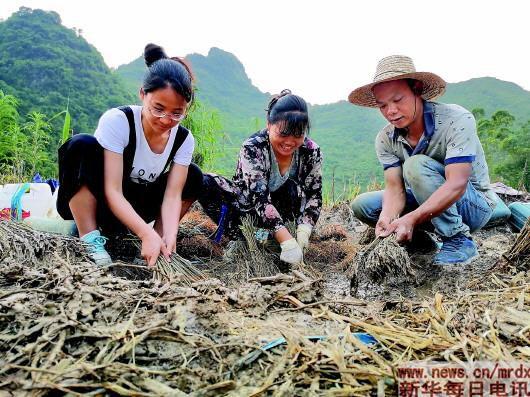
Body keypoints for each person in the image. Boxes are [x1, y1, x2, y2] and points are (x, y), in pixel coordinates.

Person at [57, 44, 203, 266]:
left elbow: (173, 196)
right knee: (80, 145)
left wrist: (170, 233)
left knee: (193, 175)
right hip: (104, 201)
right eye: (158, 108)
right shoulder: (119, 121)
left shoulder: (184, 139)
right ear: (143, 94)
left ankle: (158, 247)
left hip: (138, 206)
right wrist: (144, 233)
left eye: (177, 113)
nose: (166, 120)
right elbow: (112, 191)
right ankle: (89, 239)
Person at [348, 55, 500, 265]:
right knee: (363, 205)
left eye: (398, 100)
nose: (391, 111)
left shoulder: (456, 120)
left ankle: (458, 239)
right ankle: (421, 243)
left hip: (473, 206)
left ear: (417, 89)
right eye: (383, 106)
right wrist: (388, 217)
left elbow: (457, 183)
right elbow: (395, 189)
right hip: (427, 204)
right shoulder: (385, 139)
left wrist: (412, 217)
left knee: (414, 164)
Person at [198, 90, 323, 266]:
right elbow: (259, 198)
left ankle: (276, 239)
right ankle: (252, 239)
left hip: (287, 214)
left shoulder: (310, 151)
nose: (290, 142)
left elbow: (314, 195)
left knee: (290, 188)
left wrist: (304, 230)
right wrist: (286, 241)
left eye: (298, 134)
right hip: (249, 214)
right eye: (283, 133)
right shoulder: (253, 147)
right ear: (269, 125)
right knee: (206, 183)